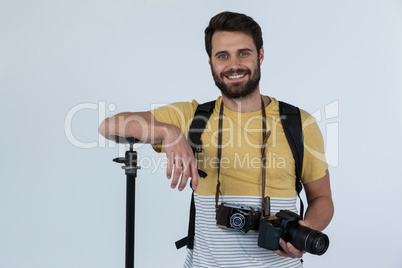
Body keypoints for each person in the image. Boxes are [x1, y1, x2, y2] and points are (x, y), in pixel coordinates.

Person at [99, 11, 334, 268]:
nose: (234, 65)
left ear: (261, 55)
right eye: (223, 56)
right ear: (210, 63)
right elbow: (108, 125)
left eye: (243, 53)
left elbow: (322, 198)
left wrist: (305, 232)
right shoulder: (192, 117)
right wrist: (170, 132)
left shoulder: (299, 123)